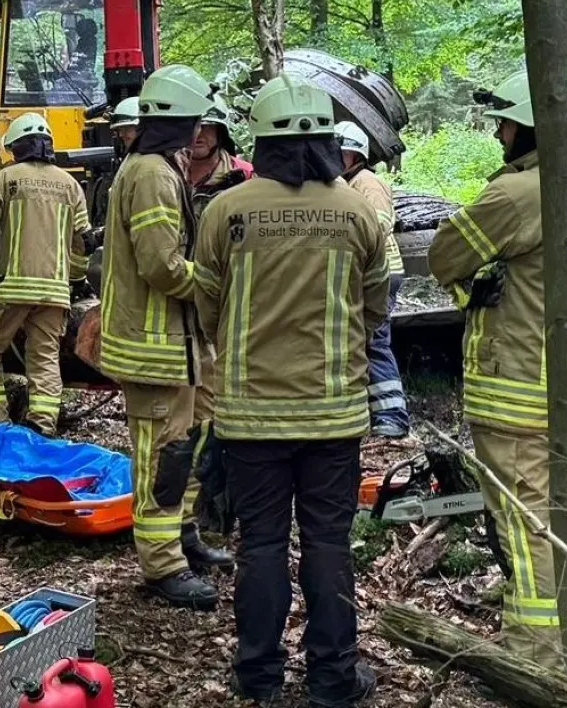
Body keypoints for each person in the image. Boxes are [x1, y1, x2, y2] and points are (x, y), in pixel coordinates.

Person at [192, 74, 388, 708]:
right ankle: (333, 679)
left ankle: (259, 676)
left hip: (250, 418)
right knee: (329, 544)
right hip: (333, 416)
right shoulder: (358, 209)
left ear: (263, 137)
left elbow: (207, 306)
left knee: (264, 543)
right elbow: (377, 305)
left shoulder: (227, 210)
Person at [427, 69, 567, 672]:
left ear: (529, 129)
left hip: (512, 387)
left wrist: (474, 284)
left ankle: (537, 653)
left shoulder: (514, 195)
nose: (498, 135)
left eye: (505, 123)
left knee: (523, 519)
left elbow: (442, 255)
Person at [100, 64, 228, 611]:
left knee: (195, 438)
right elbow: (161, 265)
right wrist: (216, 282)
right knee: (162, 456)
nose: (200, 132)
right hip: (155, 348)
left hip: (182, 343)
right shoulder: (150, 172)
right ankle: (162, 564)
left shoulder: (160, 166)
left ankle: (184, 534)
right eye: (194, 121)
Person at [0, 113, 89, 435]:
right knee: (45, 358)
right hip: (55, 291)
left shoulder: (5, 179)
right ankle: (42, 427)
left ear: (16, 147)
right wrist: (75, 281)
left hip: (13, 288)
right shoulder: (71, 185)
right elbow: (81, 243)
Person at [334, 121, 408, 437]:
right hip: (367, 272)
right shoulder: (348, 184)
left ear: (355, 154)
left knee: (375, 341)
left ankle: (392, 415)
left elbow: (378, 226)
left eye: (341, 152)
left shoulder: (367, 183)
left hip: (382, 273)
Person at [185, 101, 253, 190]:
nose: (198, 133)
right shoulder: (165, 171)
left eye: (206, 127)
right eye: (191, 127)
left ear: (220, 132)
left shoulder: (246, 174)